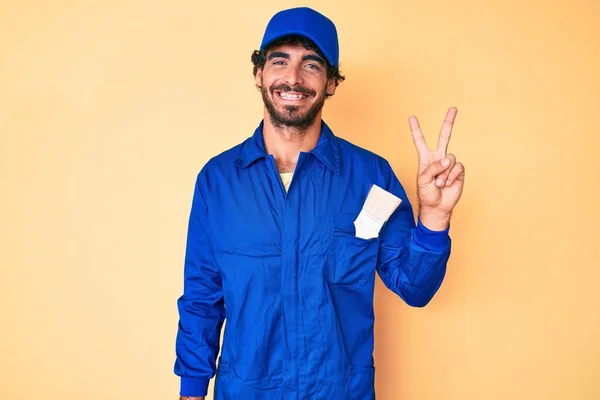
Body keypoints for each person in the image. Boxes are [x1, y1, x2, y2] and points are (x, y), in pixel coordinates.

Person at [174, 6, 465, 400]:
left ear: (331, 82)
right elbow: (202, 298)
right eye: (280, 61)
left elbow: (415, 288)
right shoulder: (218, 181)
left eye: (311, 64)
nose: (292, 78)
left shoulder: (371, 177)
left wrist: (434, 216)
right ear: (259, 73)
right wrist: (192, 390)